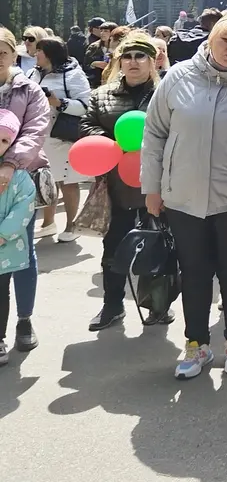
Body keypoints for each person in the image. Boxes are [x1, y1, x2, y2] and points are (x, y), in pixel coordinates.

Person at [141, 15, 227, 380]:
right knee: (194, 272)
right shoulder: (178, 76)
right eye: (226, 41)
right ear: (210, 40)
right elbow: (154, 134)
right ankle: (196, 344)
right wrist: (152, 187)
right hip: (183, 197)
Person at [79, 37, 175, 330]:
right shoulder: (102, 95)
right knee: (114, 247)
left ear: (152, 61)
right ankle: (112, 305)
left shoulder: (167, 93)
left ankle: (158, 304)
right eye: (128, 56)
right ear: (119, 61)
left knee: (158, 246)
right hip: (116, 186)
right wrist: (116, 143)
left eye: (140, 56)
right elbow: (86, 126)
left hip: (158, 184)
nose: (133, 61)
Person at [0, 27, 47, 353]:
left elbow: (35, 130)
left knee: (21, 249)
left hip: (19, 179)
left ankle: (24, 319)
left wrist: (10, 163)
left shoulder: (29, 90)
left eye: (2, 52)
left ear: (13, 54)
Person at [28, 37, 92, 242]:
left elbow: (85, 105)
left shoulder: (73, 74)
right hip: (39, 136)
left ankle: (72, 225)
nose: (35, 53)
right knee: (46, 180)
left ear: (50, 53)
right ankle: (48, 223)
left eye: (39, 50)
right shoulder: (33, 73)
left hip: (62, 137)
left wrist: (59, 103)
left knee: (67, 181)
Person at [0, 108, 37, 366]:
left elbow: (24, 207)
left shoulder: (20, 178)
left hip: (4, 249)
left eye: (4, 140)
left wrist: (3, 234)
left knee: (0, 293)